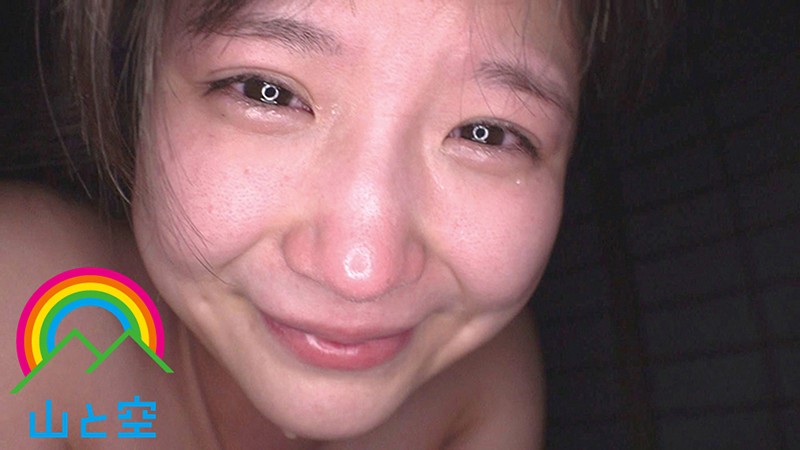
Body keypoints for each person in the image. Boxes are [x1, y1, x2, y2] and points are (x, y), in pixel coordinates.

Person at [1, 0, 678, 448]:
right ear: (136, 89)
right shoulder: (21, 293)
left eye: (487, 132)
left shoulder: (488, 378)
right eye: (267, 92)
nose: (363, 271)